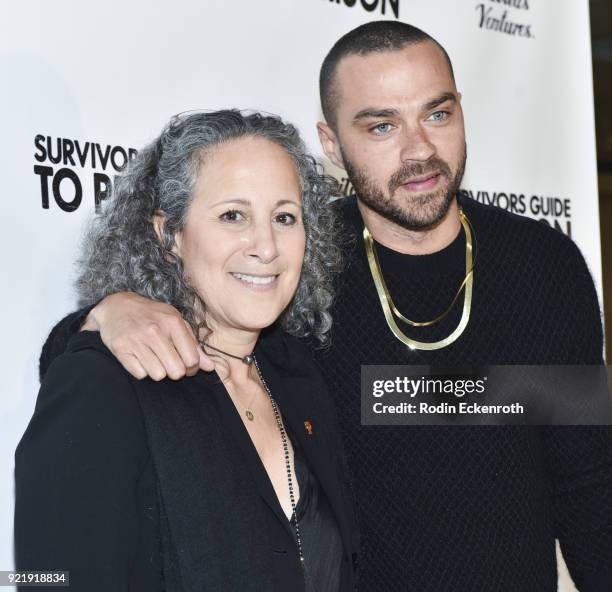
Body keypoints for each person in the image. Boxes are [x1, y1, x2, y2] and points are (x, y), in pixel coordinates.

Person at [37, 22, 612, 591]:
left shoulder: (546, 267)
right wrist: (107, 311)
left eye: (437, 114)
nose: (420, 149)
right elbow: (99, 375)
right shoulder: (297, 267)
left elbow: (588, 484)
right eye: (382, 125)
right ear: (333, 144)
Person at [15, 110, 359, 592]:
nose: (266, 246)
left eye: (285, 217)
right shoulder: (106, 382)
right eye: (232, 216)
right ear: (169, 235)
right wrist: (96, 319)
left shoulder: (301, 373)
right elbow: (47, 580)